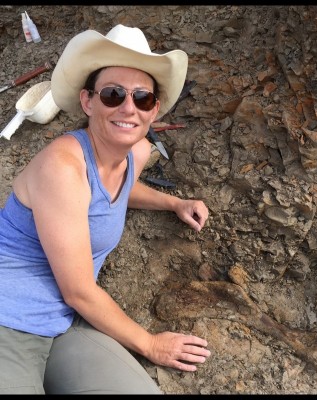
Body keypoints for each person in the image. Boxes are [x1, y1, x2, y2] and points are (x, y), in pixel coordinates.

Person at [0, 24, 211, 394]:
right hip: (10, 318)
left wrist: (175, 203)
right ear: (88, 102)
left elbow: (119, 189)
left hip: (66, 324)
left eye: (142, 97)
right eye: (113, 94)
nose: (128, 107)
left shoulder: (137, 153)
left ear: (154, 108)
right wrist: (151, 344)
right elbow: (79, 290)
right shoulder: (62, 168)